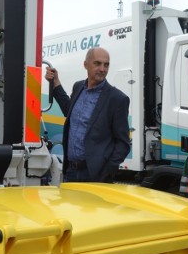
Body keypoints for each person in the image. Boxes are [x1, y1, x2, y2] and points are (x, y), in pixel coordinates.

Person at [45, 47, 130, 182]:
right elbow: (69, 111)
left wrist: (107, 173)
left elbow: (123, 143)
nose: (102, 69)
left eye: (106, 65)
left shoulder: (117, 99)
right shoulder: (78, 87)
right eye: (97, 63)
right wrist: (55, 83)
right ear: (86, 65)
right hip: (71, 171)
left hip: (95, 176)